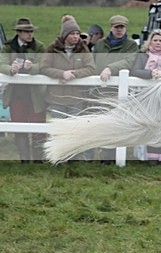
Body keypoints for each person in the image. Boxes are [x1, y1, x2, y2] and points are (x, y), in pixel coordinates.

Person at [0, 18, 47, 162]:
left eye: (31, 31)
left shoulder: (39, 47)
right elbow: (1, 64)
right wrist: (10, 69)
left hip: (36, 96)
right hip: (16, 95)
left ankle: (38, 160)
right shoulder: (8, 47)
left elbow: (45, 64)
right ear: (19, 32)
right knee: (19, 127)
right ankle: (24, 160)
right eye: (27, 32)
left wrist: (32, 67)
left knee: (38, 128)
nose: (30, 34)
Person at [131, 29, 161, 164]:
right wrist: (150, 74)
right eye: (155, 40)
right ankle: (151, 157)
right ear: (150, 41)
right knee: (151, 124)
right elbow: (135, 70)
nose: (158, 43)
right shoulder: (142, 55)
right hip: (147, 96)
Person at [40, 15, 96, 124]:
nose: (76, 36)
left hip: (77, 98)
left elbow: (91, 68)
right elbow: (44, 67)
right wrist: (61, 74)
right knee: (57, 129)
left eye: (77, 34)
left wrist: (74, 74)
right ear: (65, 35)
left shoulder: (83, 48)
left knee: (75, 130)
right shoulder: (53, 48)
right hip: (56, 98)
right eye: (72, 34)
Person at [93, 15, 139, 83]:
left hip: (119, 83)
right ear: (111, 28)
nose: (119, 30)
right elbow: (92, 61)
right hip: (98, 82)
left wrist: (110, 68)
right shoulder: (100, 43)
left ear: (125, 29)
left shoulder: (131, 44)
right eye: (116, 27)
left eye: (122, 27)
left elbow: (129, 62)